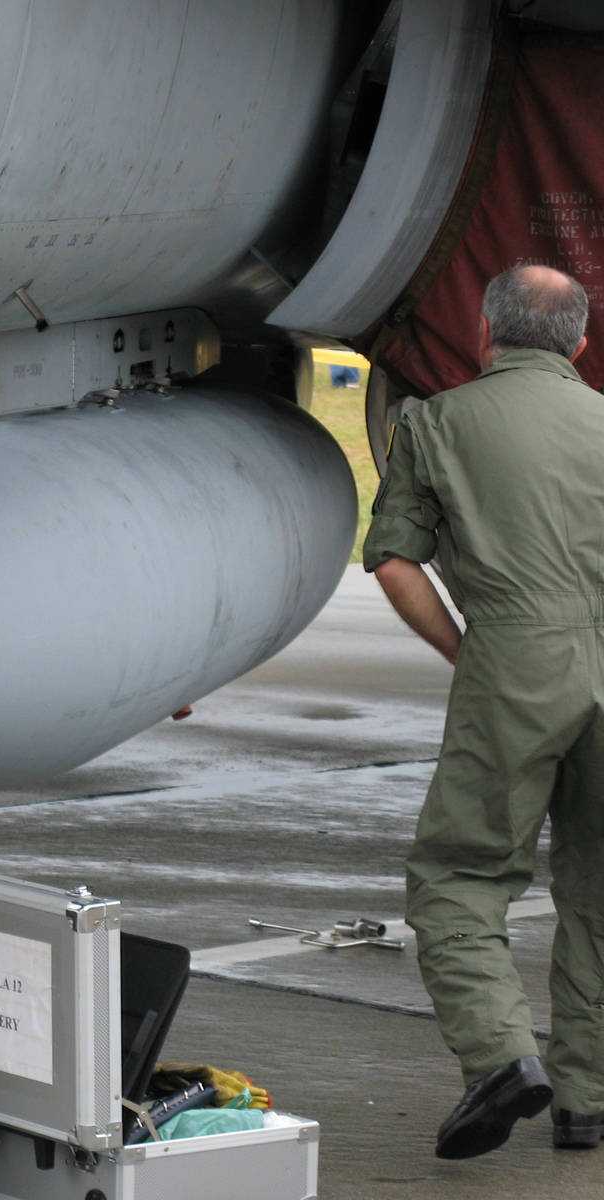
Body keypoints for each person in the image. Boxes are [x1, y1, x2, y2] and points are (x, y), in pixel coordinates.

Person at [364, 264, 602, 1160]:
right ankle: (588, 1102)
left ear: (482, 330)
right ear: (578, 343)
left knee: (460, 876)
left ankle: (503, 1058)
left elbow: (394, 561)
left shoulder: (437, 422)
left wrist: (470, 652)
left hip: (514, 660)